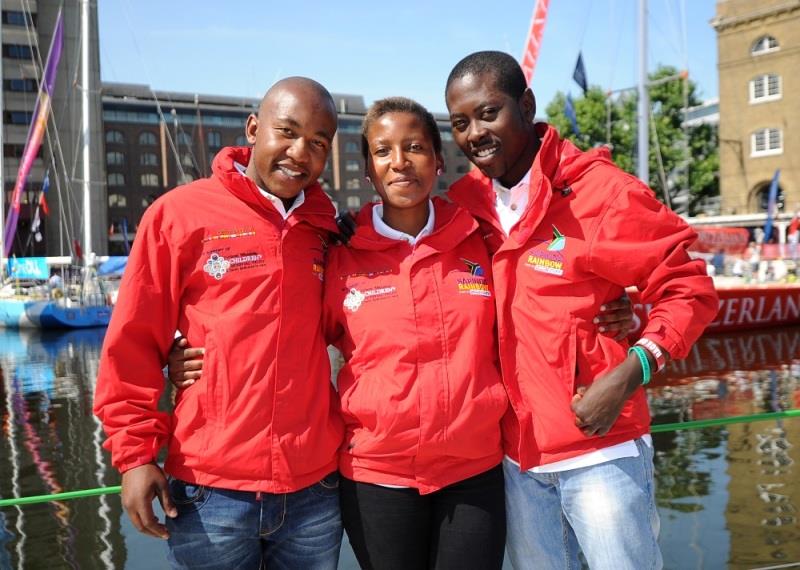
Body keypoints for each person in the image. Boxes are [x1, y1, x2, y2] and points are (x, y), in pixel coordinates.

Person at [444, 51, 718, 570]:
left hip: (602, 451)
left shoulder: (601, 193)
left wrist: (632, 369)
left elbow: (689, 287)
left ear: (526, 105)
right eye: (460, 123)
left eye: (488, 113)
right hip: (516, 460)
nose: (475, 132)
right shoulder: (463, 207)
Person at [93, 77, 345, 570]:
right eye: (287, 132)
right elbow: (133, 343)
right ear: (253, 128)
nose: (300, 152)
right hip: (212, 491)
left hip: (314, 489)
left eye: (318, 143)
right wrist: (135, 456)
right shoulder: (179, 215)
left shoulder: (328, 227)